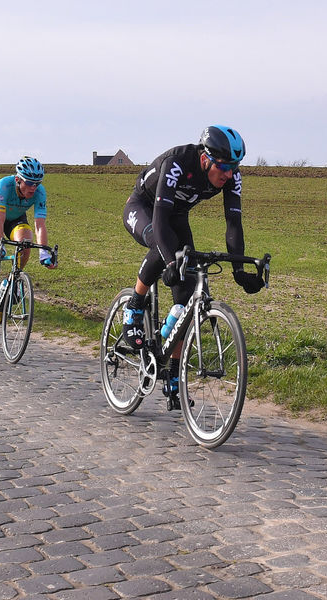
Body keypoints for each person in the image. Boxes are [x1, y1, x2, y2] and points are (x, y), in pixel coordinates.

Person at [121, 125, 265, 410]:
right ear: (206, 159)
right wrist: (172, 262)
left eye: (233, 168)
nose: (228, 175)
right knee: (164, 249)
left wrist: (239, 272)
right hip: (145, 209)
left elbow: (233, 223)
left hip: (177, 216)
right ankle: (135, 305)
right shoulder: (178, 163)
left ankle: (172, 374)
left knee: (184, 303)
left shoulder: (232, 176)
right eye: (223, 167)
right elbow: (161, 221)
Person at [0, 157, 55, 340]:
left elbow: (40, 225)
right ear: (18, 180)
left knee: (26, 241)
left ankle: (13, 279)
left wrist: (44, 253)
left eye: (37, 183)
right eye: (30, 183)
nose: (34, 188)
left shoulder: (40, 192)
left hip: (16, 219)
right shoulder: (4, 186)